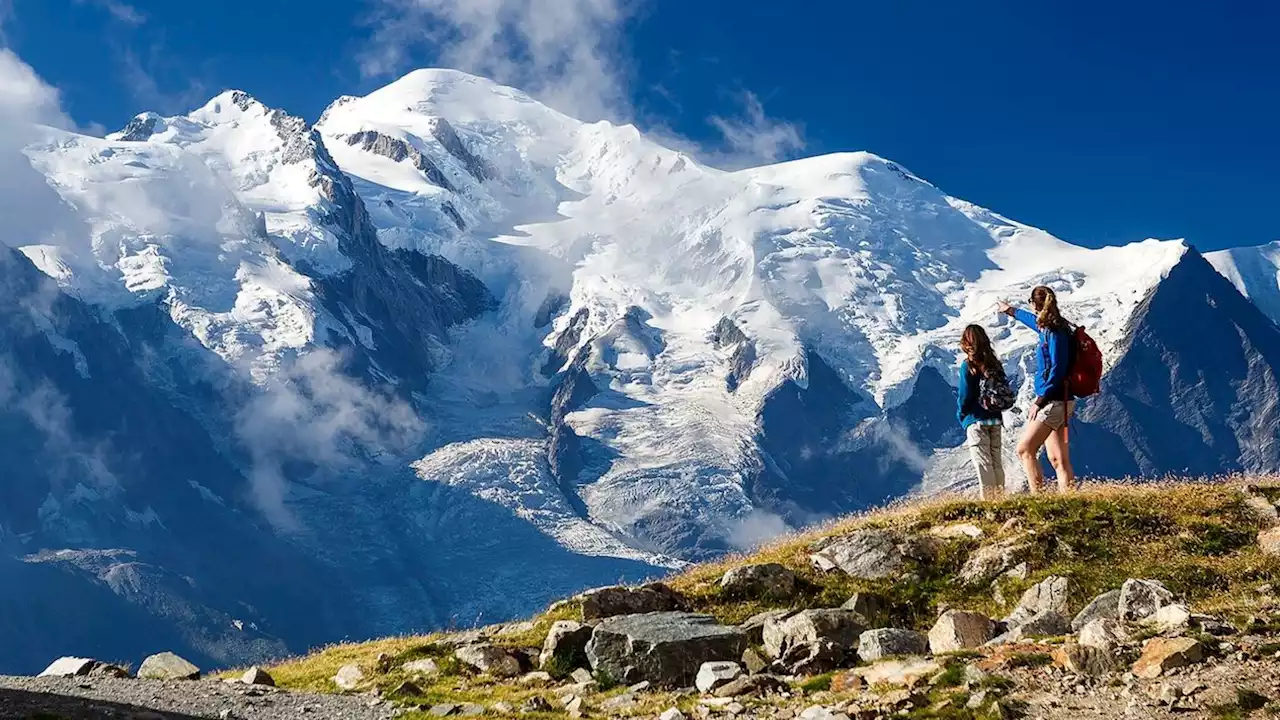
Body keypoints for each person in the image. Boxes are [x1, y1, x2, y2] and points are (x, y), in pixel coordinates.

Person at [998, 286, 1075, 493]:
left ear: (1035, 304)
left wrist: (1039, 401)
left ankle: (1039, 500)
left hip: (1054, 401)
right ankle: (1069, 502)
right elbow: (1033, 321)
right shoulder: (1053, 327)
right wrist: (1010, 310)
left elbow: (1057, 369)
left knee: (1025, 449)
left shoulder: (1054, 332)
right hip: (1062, 400)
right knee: (1058, 459)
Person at [956, 324, 1007, 500]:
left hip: (976, 420)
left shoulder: (968, 366)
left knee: (983, 463)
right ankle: (1000, 499)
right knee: (996, 462)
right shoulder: (995, 364)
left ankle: (990, 502)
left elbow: (965, 395)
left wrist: (962, 414)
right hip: (995, 418)